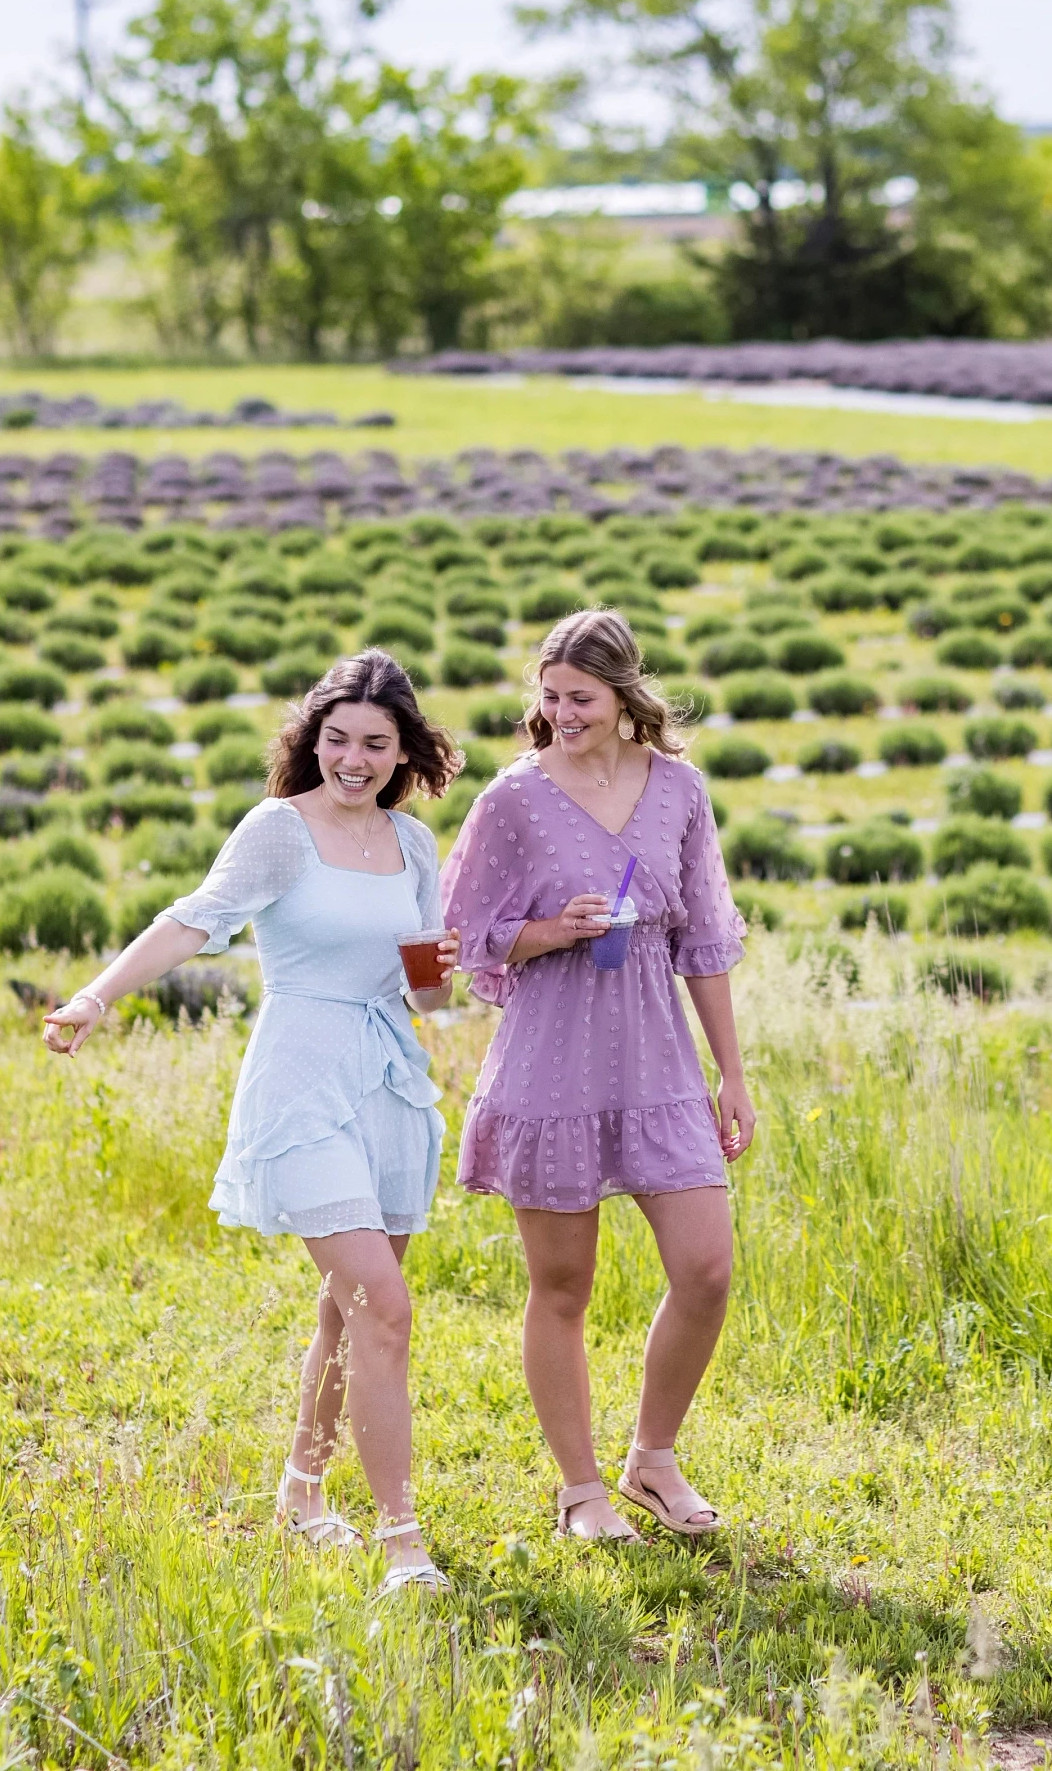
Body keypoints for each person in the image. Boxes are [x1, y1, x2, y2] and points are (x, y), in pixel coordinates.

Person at [38, 649, 463, 1593]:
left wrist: (443, 964)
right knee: (383, 1307)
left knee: (347, 1310)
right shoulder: (280, 828)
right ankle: (404, 1543)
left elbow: (429, 996)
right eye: (337, 738)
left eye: (374, 744)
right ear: (314, 739)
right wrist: (96, 998)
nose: (352, 759)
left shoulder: (415, 845)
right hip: (302, 1078)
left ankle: (302, 1493)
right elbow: (195, 920)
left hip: (389, 1081)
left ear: (404, 753)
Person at [441, 610, 755, 1542]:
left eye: (580, 697)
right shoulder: (513, 798)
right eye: (549, 697)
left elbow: (704, 939)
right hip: (552, 1059)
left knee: (706, 1267)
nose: (561, 714)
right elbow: (464, 936)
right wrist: (550, 931)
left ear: (625, 699)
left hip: (659, 1052)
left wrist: (731, 1073)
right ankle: (580, 1488)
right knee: (563, 1284)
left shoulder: (680, 792)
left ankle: (652, 1461)